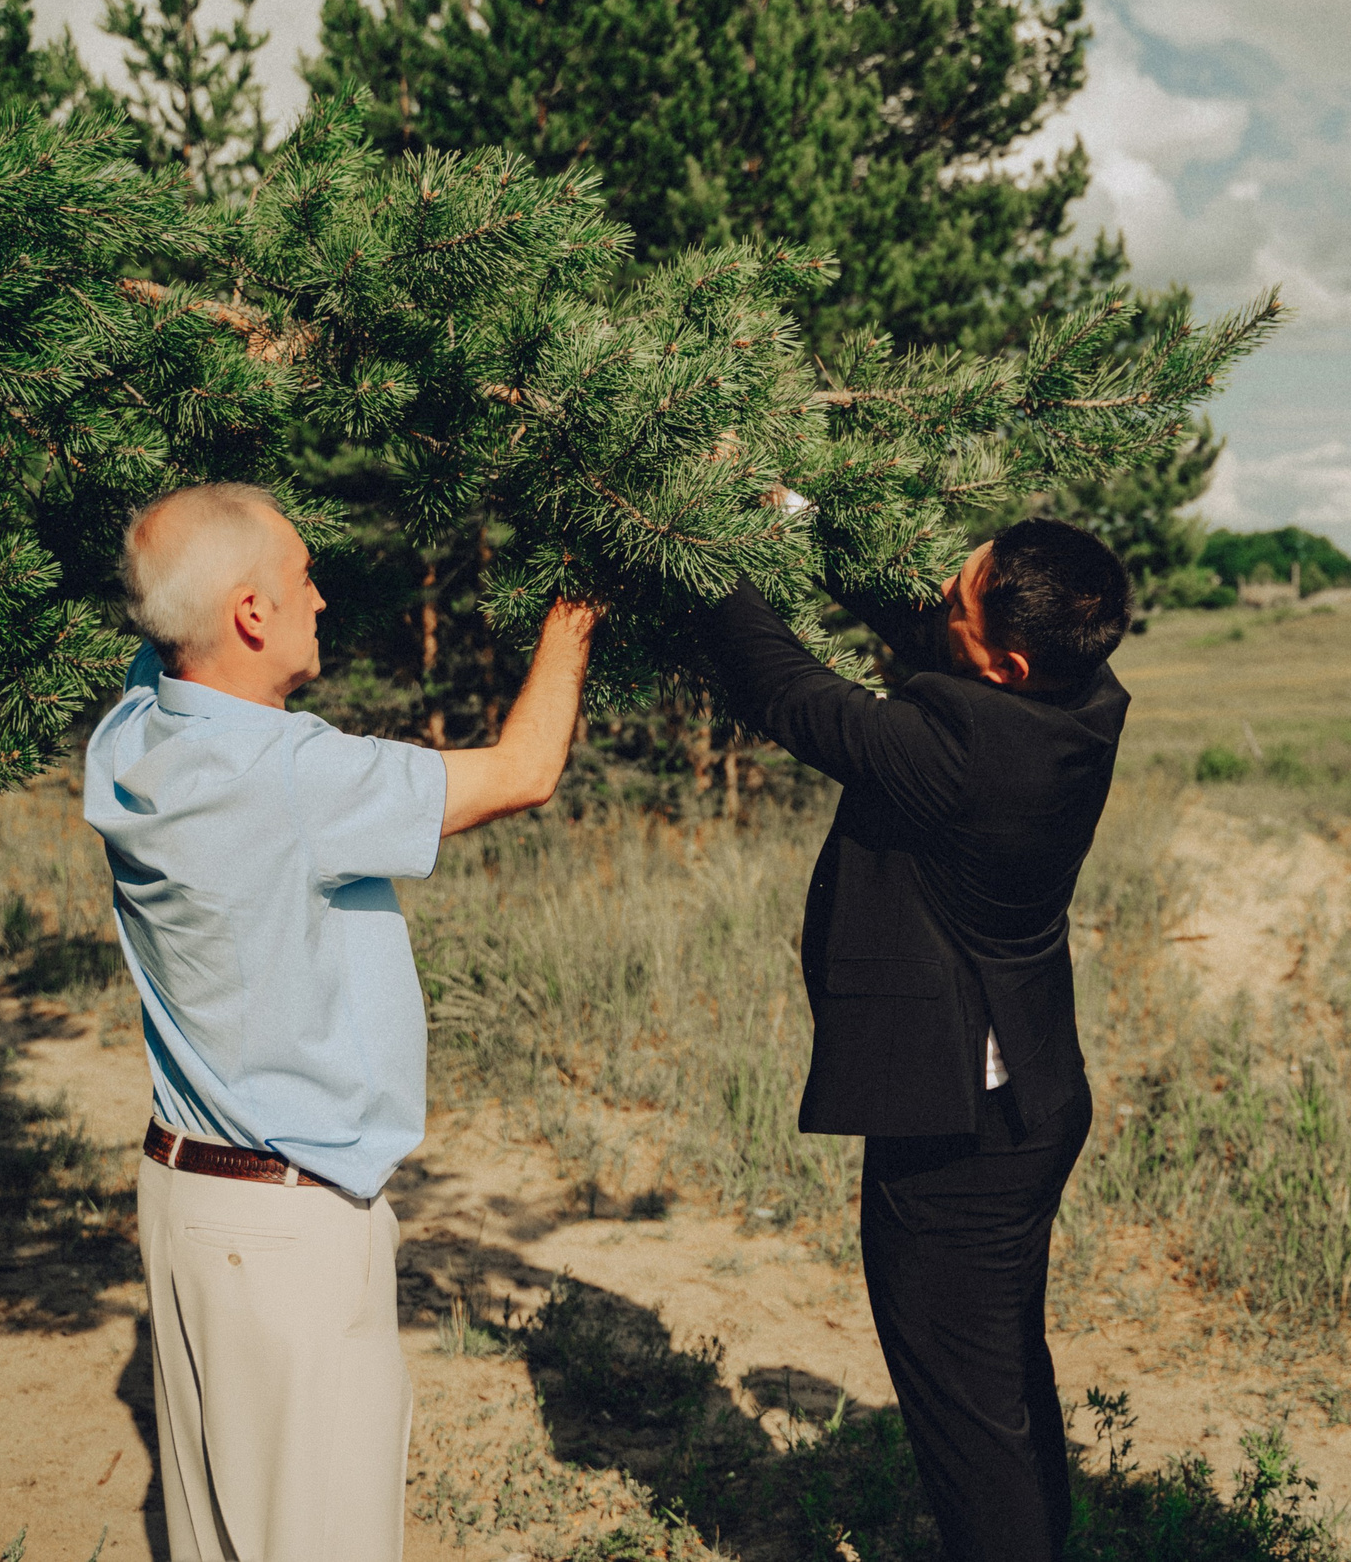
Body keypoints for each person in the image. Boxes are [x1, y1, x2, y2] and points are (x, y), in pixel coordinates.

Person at [84, 482, 599, 1562]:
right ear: (249, 613)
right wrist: (575, 611)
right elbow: (527, 771)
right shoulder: (291, 779)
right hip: (286, 1223)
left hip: (180, 1197)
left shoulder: (132, 734)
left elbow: (168, 629)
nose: (321, 599)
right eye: (304, 577)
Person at [703, 517, 1132, 1562]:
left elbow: (786, 691)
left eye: (956, 602)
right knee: (1002, 1376)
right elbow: (926, 627)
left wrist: (701, 538)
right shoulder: (1085, 693)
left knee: (966, 1415)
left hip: (959, 1137)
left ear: (1007, 665)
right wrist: (795, 515)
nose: (938, 601)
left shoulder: (965, 756)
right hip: (1027, 1099)